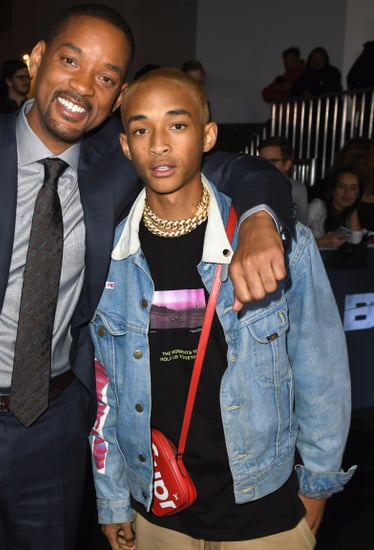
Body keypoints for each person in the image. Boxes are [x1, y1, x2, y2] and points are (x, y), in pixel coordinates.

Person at [0, 4, 295, 550]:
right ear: (36, 60)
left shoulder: (120, 162)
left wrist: (257, 219)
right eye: (70, 61)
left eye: (106, 78)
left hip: (58, 428)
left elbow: (238, 169)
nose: (84, 86)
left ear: (118, 96)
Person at [89, 67, 355, 550]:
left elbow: (322, 370)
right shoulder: (110, 257)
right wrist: (111, 497)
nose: (159, 144)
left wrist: (318, 482)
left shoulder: (274, 242)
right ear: (126, 146)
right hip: (159, 503)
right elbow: (105, 391)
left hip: (263, 506)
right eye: (141, 129)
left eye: (177, 124)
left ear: (208, 135)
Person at [306, 166, 364, 247]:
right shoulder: (318, 206)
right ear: (333, 189)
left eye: (353, 188)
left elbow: (356, 242)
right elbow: (293, 239)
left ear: (358, 193)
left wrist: (353, 209)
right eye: (341, 187)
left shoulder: (356, 213)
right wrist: (318, 242)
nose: (347, 192)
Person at [258, 136, 309, 224]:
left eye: (272, 161)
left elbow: (301, 227)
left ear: (287, 165)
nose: (264, 165)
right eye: (260, 161)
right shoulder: (251, 187)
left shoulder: (297, 189)